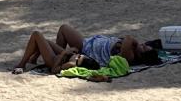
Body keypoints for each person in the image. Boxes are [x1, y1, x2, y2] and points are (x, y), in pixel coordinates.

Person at [11, 24, 160, 74]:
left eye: (144, 47)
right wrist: (66, 53)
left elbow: (128, 38)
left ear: (142, 55)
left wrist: (64, 54)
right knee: (61, 30)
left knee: (38, 35)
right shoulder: (132, 51)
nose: (142, 44)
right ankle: (36, 57)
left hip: (83, 50)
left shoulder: (130, 56)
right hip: (82, 47)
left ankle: (23, 63)